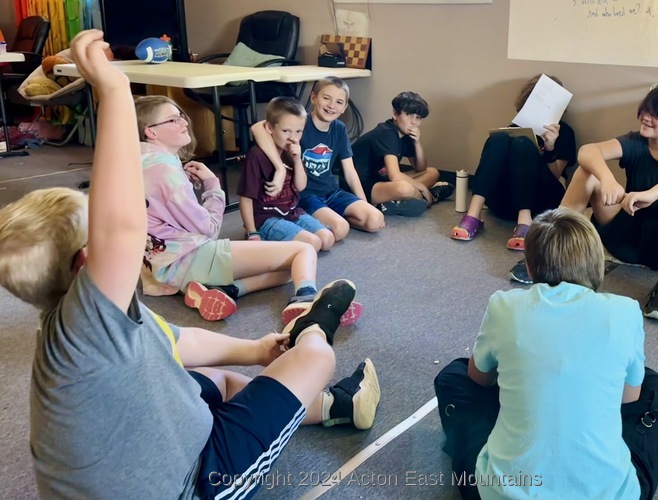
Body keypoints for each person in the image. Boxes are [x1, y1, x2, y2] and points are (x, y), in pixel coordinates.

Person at [0, 30, 381, 499]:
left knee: (214, 379)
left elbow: (177, 341)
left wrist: (257, 350)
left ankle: (330, 407)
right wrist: (115, 89)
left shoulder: (86, 327)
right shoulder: (87, 326)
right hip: (200, 479)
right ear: (86, 264)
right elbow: (120, 228)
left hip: (170, 426)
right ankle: (313, 336)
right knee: (317, 354)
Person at [434, 208, 658, 500]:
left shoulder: (504, 306)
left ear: (530, 268)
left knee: (453, 376)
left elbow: (477, 378)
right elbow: (628, 400)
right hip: (613, 495)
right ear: (597, 264)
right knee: (654, 388)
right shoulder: (625, 312)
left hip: (498, 493)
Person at [136, 94, 360, 326]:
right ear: (151, 132)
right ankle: (306, 300)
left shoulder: (141, 160)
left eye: (181, 116)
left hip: (160, 266)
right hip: (189, 258)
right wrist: (213, 186)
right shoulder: (165, 173)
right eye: (173, 120)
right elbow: (210, 229)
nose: (184, 122)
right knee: (304, 252)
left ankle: (229, 290)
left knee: (291, 268)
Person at [558, 83, 658, 322]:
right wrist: (608, 179)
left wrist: (652, 193)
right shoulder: (635, 142)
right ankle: (553, 251)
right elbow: (588, 151)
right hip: (626, 236)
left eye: (655, 114)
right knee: (587, 170)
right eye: (645, 111)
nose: (645, 118)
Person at [450, 74, 577, 250]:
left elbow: (555, 175)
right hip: (504, 201)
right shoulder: (514, 128)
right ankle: (474, 215)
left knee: (522, 144)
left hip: (540, 203)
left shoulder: (564, 133)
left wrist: (550, 148)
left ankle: (524, 221)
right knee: (499, 138)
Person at [251, 76, 384, 241]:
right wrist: (279, 167)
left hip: (331, 191)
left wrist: (363, 203)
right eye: (326, 98)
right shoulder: (300, 122)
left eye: (338, 102)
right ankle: (318, 221)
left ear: (344, 108)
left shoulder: (339, 129)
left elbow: (350, 171)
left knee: (375, 220)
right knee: (340, 230)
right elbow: (257, 127)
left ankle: (331, 219)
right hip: (306, 195)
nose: (331, 106)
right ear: (313, 98)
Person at [237, 96, 335, 252]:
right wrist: (252, 232)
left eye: (298, 131)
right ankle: (265, 240)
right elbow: (246, 197)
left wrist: (297, 160)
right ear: (270, 128)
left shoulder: (292, 150)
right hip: (266, 218)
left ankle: (283, 241)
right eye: (285, 131)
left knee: (328, 239)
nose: (293, 137)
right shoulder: (257, 155)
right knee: (313, 243)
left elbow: (301, 186)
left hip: (291, 212)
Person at [349, 91, 455, 217]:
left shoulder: (405, 134)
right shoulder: (386, 133)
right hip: (361, 186)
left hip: (382, 180)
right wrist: (422, 188)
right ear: (395, 114)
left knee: (432, 172)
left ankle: (394, 203)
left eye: (418, 118)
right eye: (409, 115)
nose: (414, 122)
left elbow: (420, 168)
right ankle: (429, 196)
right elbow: (395, 176)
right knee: (405, 189)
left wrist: (417, 142)